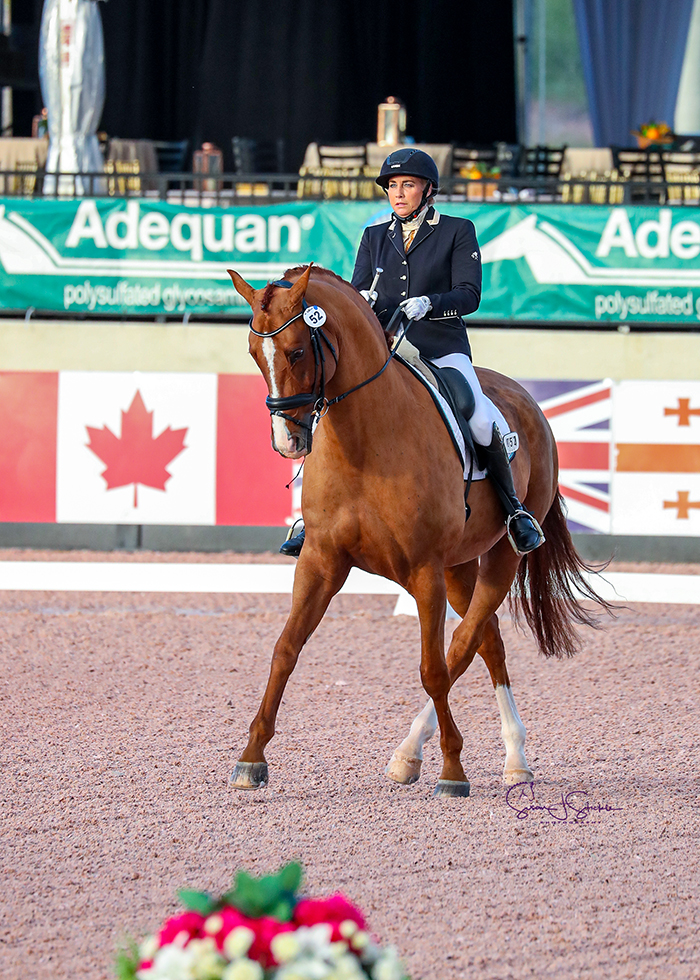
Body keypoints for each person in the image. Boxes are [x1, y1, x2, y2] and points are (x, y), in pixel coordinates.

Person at [280, 147, 544, 558]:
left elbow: (469, 294)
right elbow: (359, 292)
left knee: (475, 410)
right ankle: (313, 516)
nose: (398, 193)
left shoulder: (457, 230)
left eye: (407, 185)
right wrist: (362, 300)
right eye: (392, 186)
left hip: (440, 346)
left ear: (427, 189)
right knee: (330, 406)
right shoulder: (374, 236)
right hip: (386, 348)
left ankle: (513, 510)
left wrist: (431, 304)